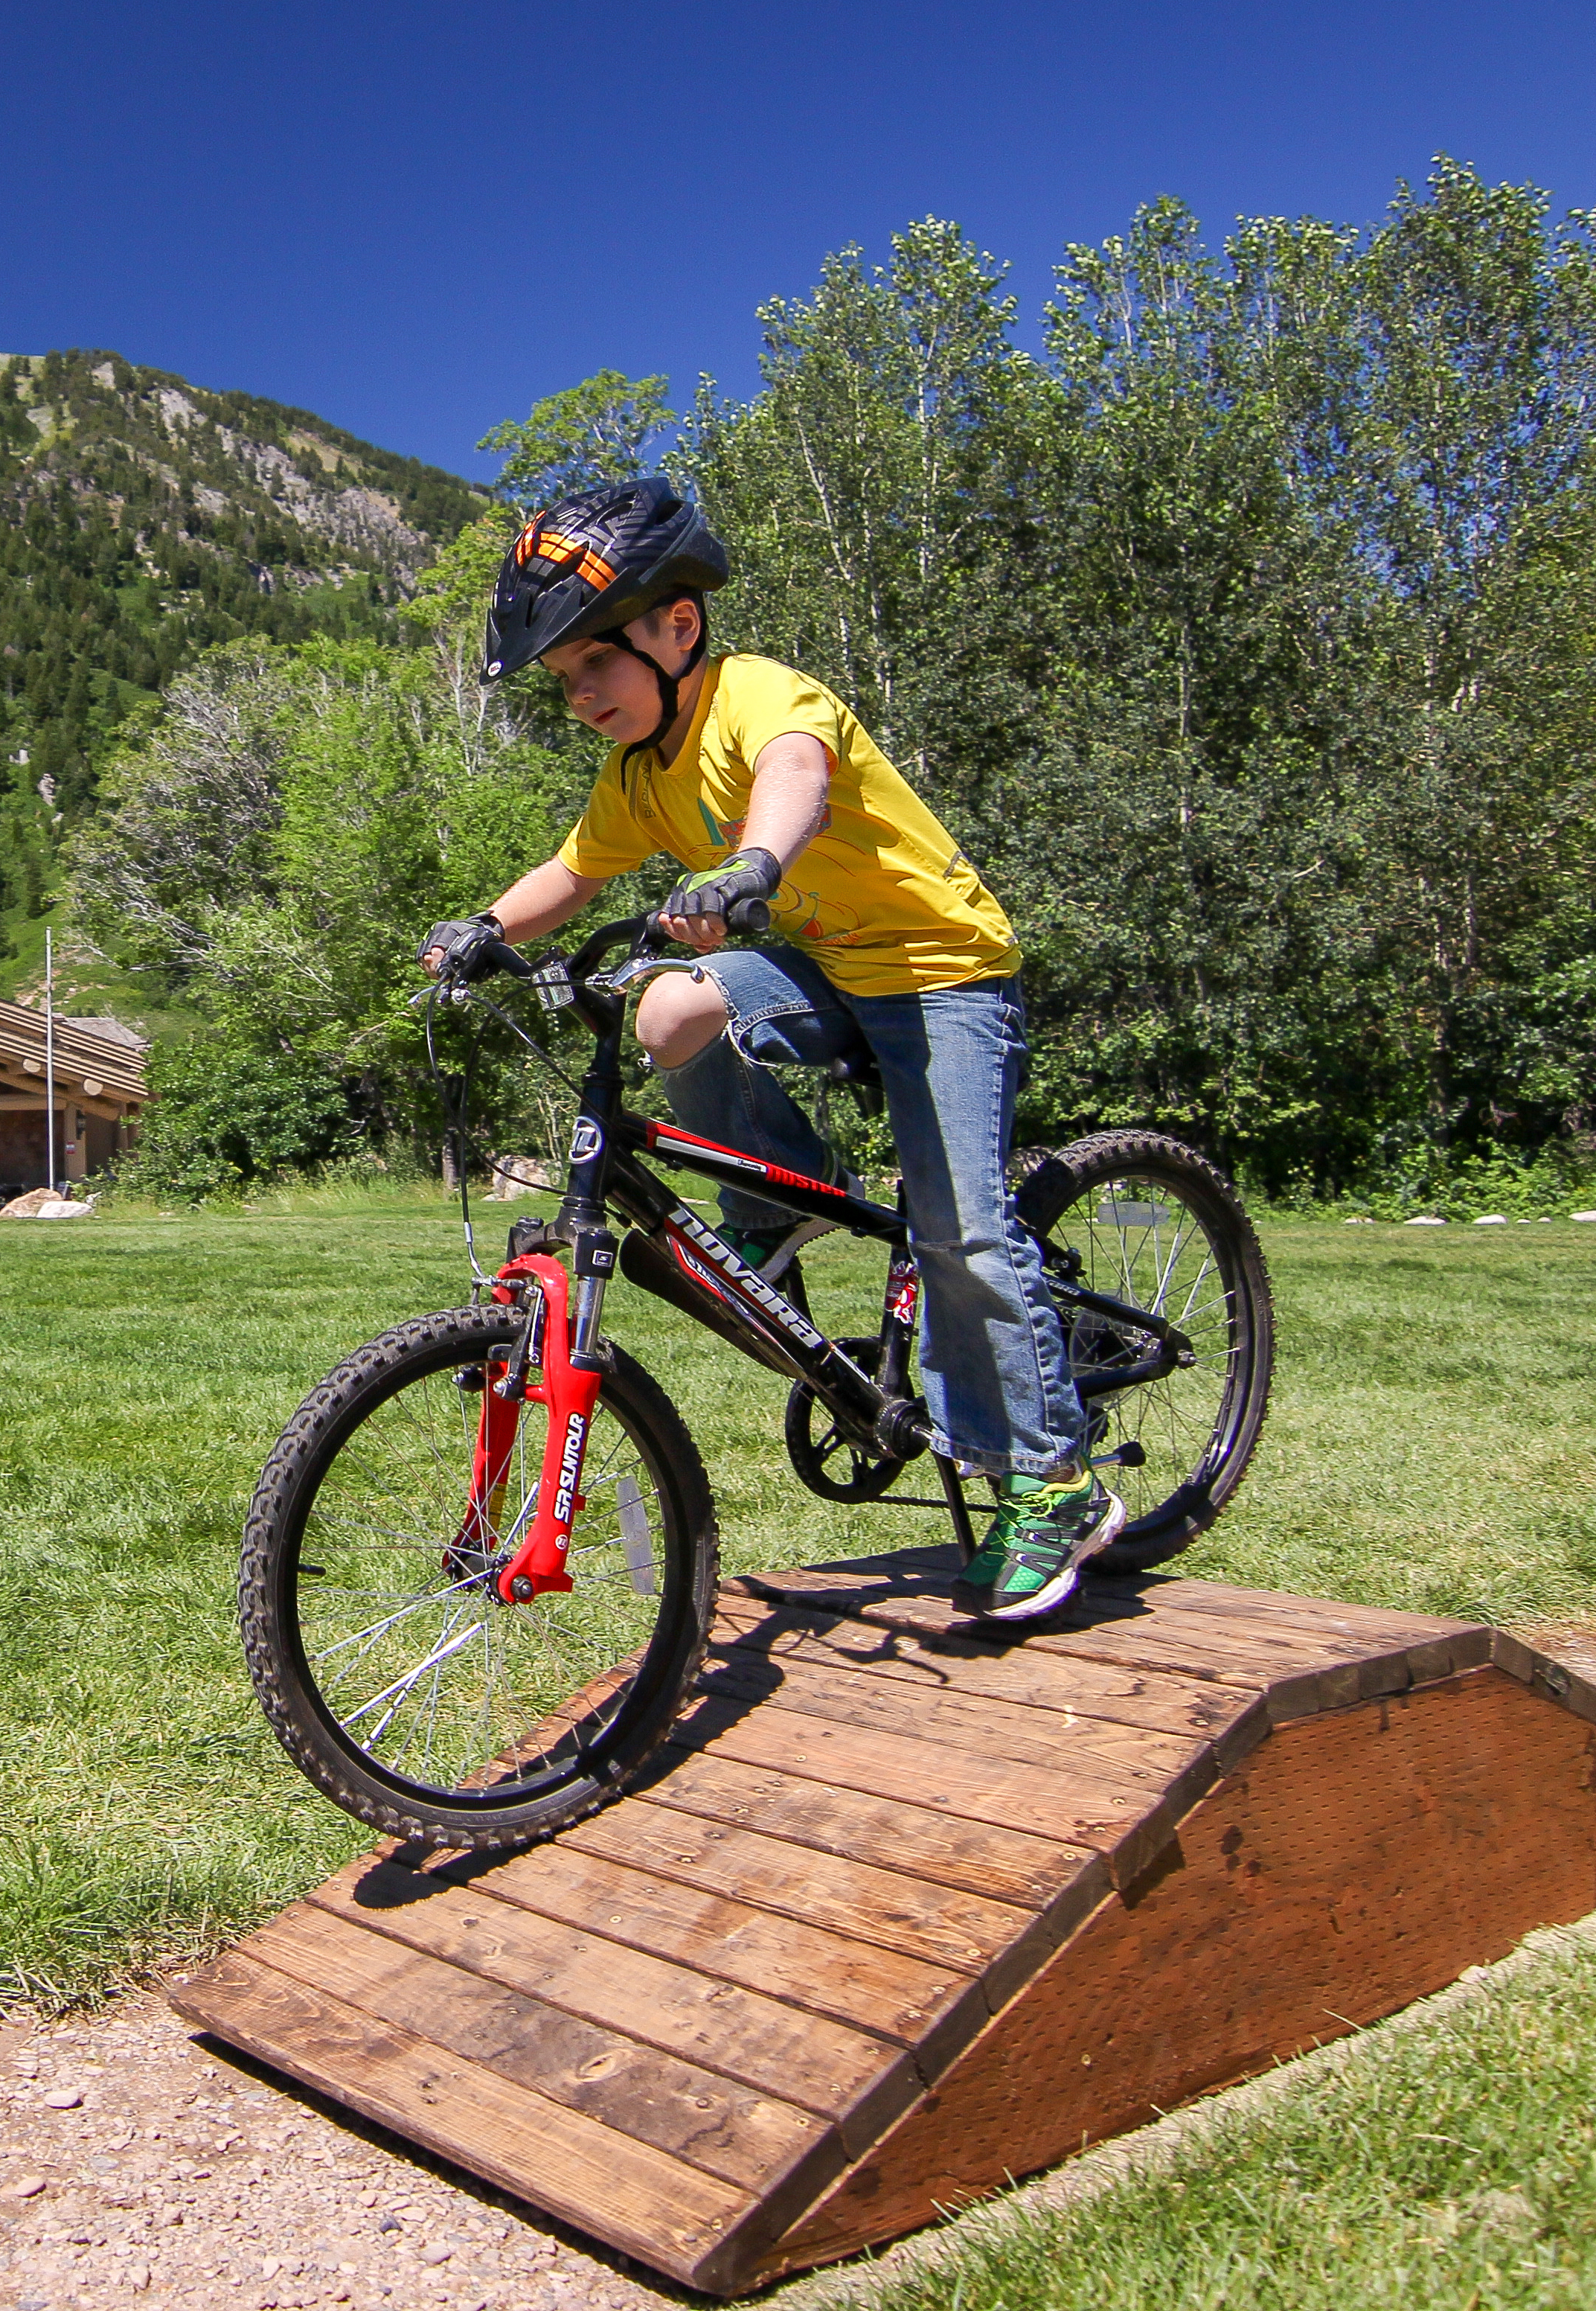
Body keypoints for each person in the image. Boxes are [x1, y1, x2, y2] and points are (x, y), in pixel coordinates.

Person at [418, 477, 1112, 1620]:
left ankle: (1053, 1478)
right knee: (663, 1012)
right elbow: (575, 870)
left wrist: (751, 867)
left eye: (594, 662)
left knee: (959, 1229)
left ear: (675, 628)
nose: (580, 693)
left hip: (940, 974)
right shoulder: (638, 771)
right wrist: (484, 929)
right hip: (826, 969)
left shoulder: (758, 695)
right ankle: (781, 1206)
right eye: (562, 680)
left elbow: (794, 778)